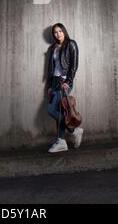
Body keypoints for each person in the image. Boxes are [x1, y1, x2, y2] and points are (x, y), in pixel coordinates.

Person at [47, 23, 83, 153]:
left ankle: (62, 141)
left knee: (52, 110)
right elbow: (51, 69)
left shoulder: (71, 44)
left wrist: (68, 80)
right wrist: (50, 86)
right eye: (55, 32)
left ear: (64, 31)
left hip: (64, 80)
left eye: (60, 31)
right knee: (57, 110)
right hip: (55, 81)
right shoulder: (52, 48)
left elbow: (74, 65)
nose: (58, 34)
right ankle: (73, 131)